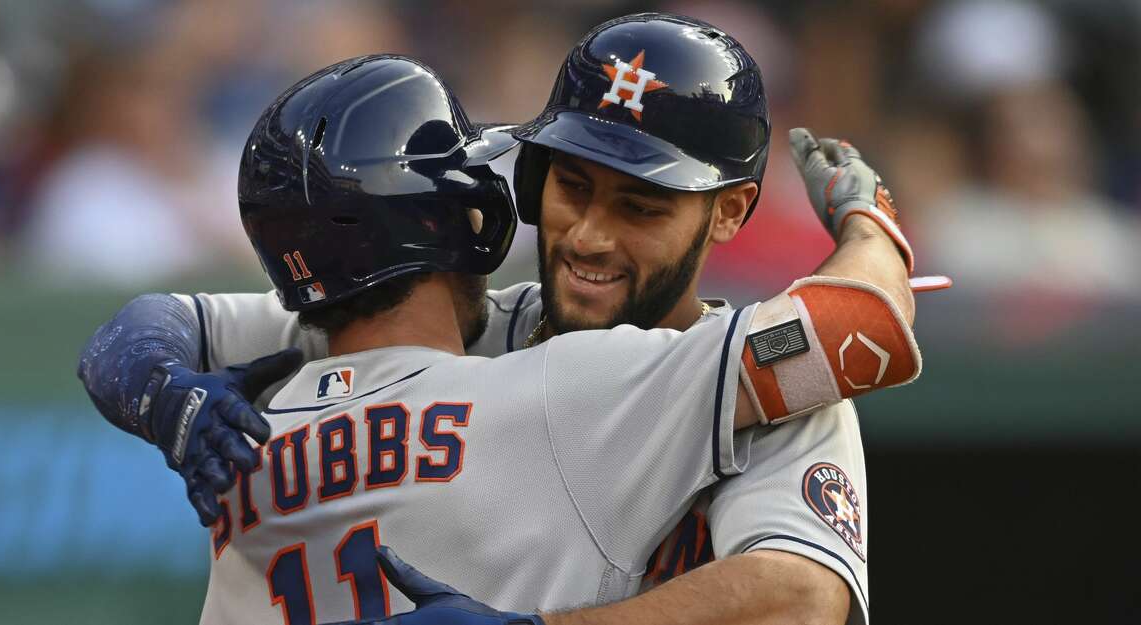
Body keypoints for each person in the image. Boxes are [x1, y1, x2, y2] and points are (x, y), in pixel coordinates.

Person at [79, 14, 936, 625]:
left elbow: (801, 600)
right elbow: (144, 331)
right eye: (572, 186)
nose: (591, 234)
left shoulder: (785, 397)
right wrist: (167, 396)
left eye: (641, 205)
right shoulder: (463, 322)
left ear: (727, 212)